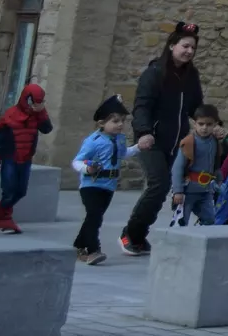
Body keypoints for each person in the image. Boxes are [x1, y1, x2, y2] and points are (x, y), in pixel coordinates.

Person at [121, 21, 204, 257]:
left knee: (164, 186)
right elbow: (141, 106)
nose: (188, 51)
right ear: (171, 46)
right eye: (184, 46)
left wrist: (213, 123)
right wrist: (144, 131)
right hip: (151, 140)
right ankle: (131, 234)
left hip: (175, 142)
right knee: (159, 185)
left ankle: (138, 235)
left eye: (192, 48)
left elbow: (196, 106)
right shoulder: (154, 73)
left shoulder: (191, 76)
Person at [72, 96, 137, 264]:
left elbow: (123, 154)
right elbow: (77, 161)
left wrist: (138, 147)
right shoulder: (93, 141)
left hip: (108, 186)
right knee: (95, 217)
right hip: (91, 185)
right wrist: (87, 168)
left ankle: (79, 245)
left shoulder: (120, 139)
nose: (120, 124)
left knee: (94, 217)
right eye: (115, 121)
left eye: (122, 121)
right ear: (102, 124)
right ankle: (93, 250)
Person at [0, 82, 53, 233]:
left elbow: (47, 129)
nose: (36, 105)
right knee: (9, 189)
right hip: (10, 157)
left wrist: (41, 112)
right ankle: (4, 220)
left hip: (25, 158)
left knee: (21, 191)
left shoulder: (37, 116)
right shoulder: (10, 115)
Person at [170, 103, 228, 227]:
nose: (204, 128)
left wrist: (219, 182)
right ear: (194, 123)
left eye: (209, 124)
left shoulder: (215, 142)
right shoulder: (188, 142)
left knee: (209, 220)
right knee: (181, 222)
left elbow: (216, 164)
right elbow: (177, 168)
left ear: (215, 124)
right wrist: (178, 191)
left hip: (206, 191)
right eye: (201, 124)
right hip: (188, 191)